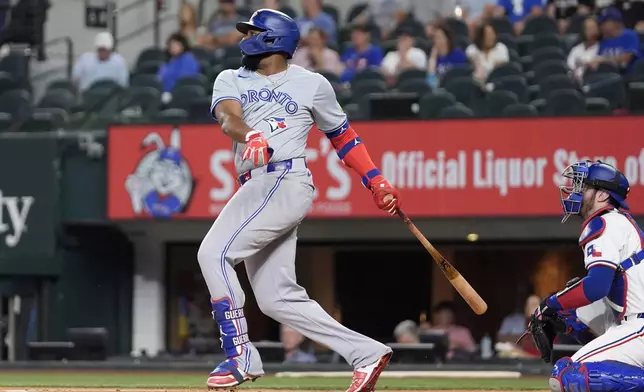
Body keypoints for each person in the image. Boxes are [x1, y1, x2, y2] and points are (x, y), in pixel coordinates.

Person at [204, 8, 400, 391]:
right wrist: (251, 135)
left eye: (253, 31)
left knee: (213, 253)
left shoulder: (311, 83)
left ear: (273, 38)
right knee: (277, 298)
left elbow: (344, 137)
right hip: (257, 183)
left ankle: (241, 354)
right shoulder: (231, 77)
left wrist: (375, 180)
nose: (245, 36)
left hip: (284, 179)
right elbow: (228, 118)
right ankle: (367, 353)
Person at [531, 160, 644, 392]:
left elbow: (596, 288)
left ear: (602, 195)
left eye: (583, 187)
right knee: (572, 312)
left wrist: (549, 303)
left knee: (567, 376)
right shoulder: (618, 222)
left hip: (638, 325)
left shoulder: (605, 222)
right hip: (632, 321)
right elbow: (597, 297)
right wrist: (560, 313)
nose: (575, 191)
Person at [589, 7, 642, 74]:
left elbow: (627, 58)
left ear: (614, 22)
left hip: (630, 77)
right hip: (608, 78)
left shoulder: (630, 35)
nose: (600, 26)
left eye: (603, 23)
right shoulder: (603, 41)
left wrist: (604, 60)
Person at [157, 33, 200, 100]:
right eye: (171, 45)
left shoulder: (188, 59)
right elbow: (160, 77)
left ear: (183, 45)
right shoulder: (169, 61)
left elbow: (186, 79)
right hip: (165, 94)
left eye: (176, 45)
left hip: (183, 94)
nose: (173, 48)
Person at [427, 24, 468, 88]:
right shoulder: (433, 58)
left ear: (447, 39)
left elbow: (461, 76)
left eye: (439, 37)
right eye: (434, 38)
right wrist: (432, 59)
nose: (436, 41)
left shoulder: (458, 55)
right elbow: (430, 83)